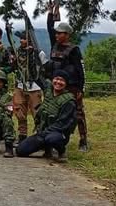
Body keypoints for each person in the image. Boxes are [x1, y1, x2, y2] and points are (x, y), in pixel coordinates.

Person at [46, 12, 89, 152]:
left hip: (72, 86)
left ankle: (83, 140)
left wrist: (81, 89)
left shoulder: (74, 50)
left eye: (60, 33)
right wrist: (50, 14)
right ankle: (57, 138)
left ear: (67, 35)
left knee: (78, 113)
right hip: (57, 86)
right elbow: (49, 28)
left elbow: (80, 70)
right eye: (56, 33)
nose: (57, 36)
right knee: (55, 112)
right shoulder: (54, 46)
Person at [17, 70, 78, 162]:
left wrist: (45, 133)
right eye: (56, 79)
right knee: (20, 150)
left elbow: (62, 124)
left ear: (66, 84)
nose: (58, 82)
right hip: (43, 133)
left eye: (62, 80)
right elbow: (37, 75)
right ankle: (47, 150)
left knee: (51, 139)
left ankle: (61, 152)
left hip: (57, 133)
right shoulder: (48, 90)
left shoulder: (68, 101)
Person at [12, 32, 47, 144]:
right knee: (19, 112)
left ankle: (40, 135)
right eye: (21, 39)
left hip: (34, 87)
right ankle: (22, 135)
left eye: (24, 39)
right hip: (20, 85)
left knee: (37, 113)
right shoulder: (16, 52)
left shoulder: (39, 53)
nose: (21, 41)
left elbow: (46, 67)